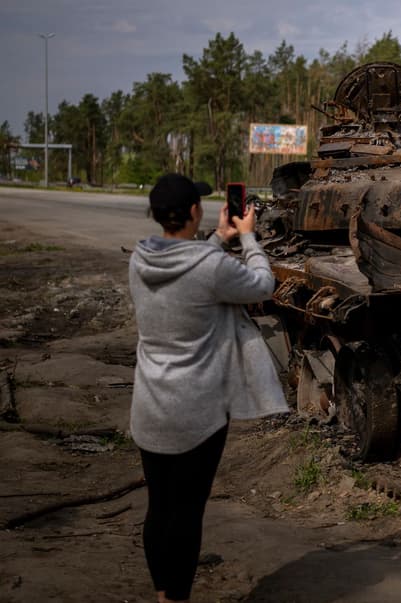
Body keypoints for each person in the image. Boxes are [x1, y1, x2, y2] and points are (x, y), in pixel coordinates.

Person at [128, 173, 288, 603]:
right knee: (187, 513)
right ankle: (175, 598)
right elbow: (262, 284)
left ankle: (163, 593)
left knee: (159, 507)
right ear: (195, 211)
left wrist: (217, 238)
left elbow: (190, 273)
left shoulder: (141, 260)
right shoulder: (211, 268)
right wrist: (249, 239)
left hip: (149, 408)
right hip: (197, 415)